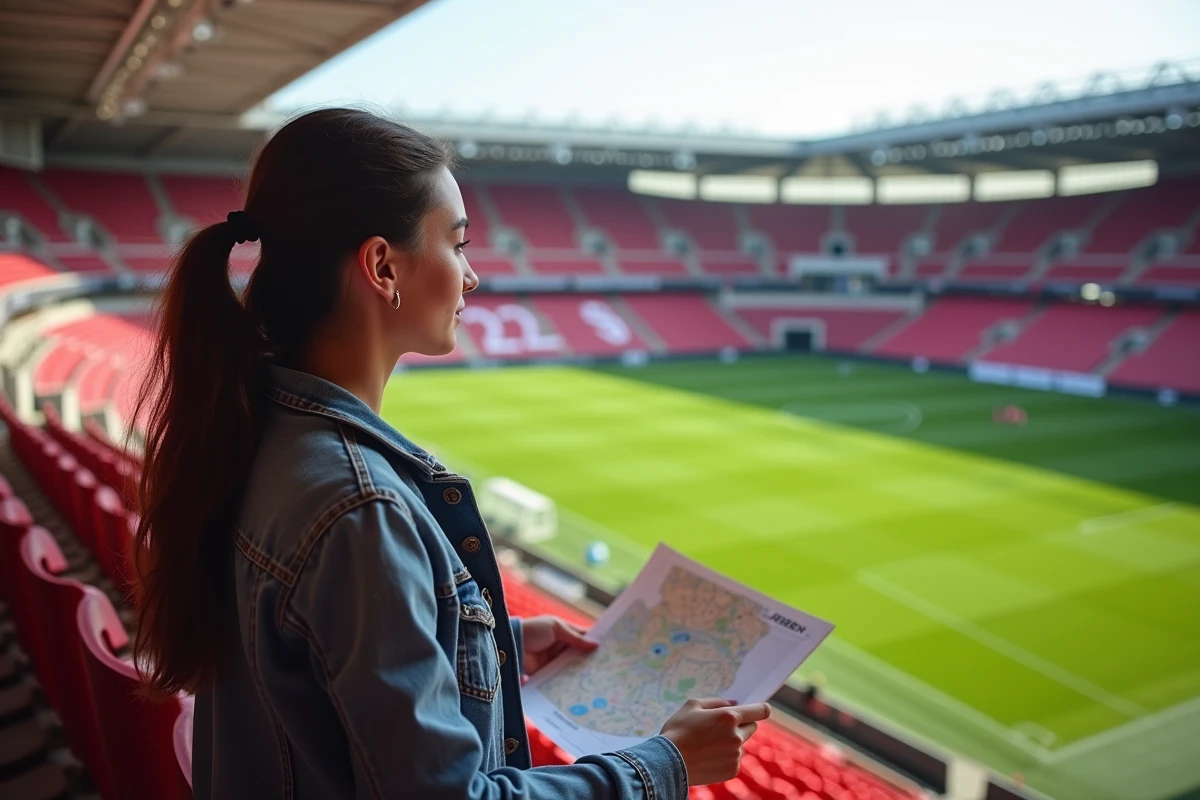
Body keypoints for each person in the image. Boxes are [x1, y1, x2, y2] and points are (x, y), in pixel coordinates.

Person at [132, 107, 768, 800]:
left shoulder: (263, 431)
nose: (470, 277)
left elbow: (316, 661)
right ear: (382, 266)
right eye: (457, 245)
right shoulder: (357, 509)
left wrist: (495, 647)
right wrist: (666, 765)